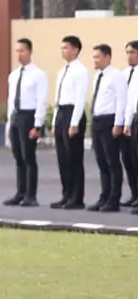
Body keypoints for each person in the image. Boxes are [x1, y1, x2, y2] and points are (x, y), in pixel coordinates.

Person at [3, 38, 49, 207]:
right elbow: (10, 100)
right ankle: (20, 192)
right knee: (18, 157)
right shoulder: (14, 75)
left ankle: (31, 195)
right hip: (16, 115)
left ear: (29, 52)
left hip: (29, 117)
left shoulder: (38, 74)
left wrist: (38, 124)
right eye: (16, 51)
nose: (19, 54)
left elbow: (41, 100)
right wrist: (9, 122)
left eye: (21, 51)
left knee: (29, 156)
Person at [51, 36, 90, 210]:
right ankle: (66, 194)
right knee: (63, 158)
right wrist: (54, 121)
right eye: (61, 48)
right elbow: (57, 98)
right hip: (61, 112)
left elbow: (80, 98)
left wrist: (74, 123)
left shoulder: (80, 70)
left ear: (75, 50)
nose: (62, 51)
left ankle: (77, 197)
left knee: (74, 158)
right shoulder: (62, 71)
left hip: (73, 113)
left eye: (65, 48)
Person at [87, 44, 127, 212]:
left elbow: (121, 101)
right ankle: (104, 196)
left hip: (109, 121)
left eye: (98, 57)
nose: (94, 60)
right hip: (97, 120)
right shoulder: (98, 76)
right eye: (93, 57)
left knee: (112, 161)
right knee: (101, 161)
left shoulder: (116, 75)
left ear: (107, 57)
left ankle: (114, 199)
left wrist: (118, 123)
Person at [121, 42, 138, 212]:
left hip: (135, 117)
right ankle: (134, 194)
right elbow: (126, 101)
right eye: (127, 52)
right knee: (129, 159)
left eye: (132, 52)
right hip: (129, 120)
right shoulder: (124, 74)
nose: (129, 55)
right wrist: (125, 122)